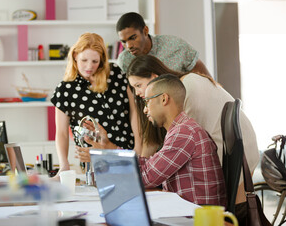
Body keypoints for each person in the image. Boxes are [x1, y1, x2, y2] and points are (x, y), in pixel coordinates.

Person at [125, 55, 259, 220]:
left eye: (138, 86)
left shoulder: (185, 121)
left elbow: (177, 145)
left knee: (238, 213)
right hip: (230, 148)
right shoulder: (183, 121)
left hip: (240, 149)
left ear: (162, 93)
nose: (138, 94)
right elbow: (162, 156)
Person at [81, 74, 226, 206]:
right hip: (187, 211)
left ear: (164, 99)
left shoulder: (184, 133)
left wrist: (106, 159)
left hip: (198, 217)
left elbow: (146, 177)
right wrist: (108, 147)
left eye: (146, 102)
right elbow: (148, 165)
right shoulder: (180, 130)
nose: (144, 110)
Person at [50, 33, 141, 176]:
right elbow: (61, 133)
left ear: (102, 60)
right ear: (75, 55)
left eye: (95, 61)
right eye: (84, 60)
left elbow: (134, 112)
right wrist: (64, 165)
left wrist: (138, 146)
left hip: (126, 152)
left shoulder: (116, 74)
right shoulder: (65, 89)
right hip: (95, 163)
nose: (89, 66)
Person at [116, 12, 211, 77]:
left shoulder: (176, 45)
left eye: (132, 38)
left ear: (145, 31)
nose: (128, 46)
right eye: (123, 42)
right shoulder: (124, 61)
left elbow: (206, 80)